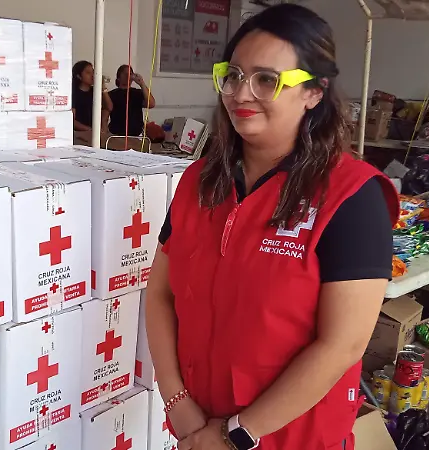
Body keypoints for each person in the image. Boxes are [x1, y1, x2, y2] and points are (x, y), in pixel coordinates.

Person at [146, 5, 398, 450]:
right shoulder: (199, 183)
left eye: (267, 79)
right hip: (196, 429)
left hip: (289, 439)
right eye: (233, 75)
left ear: (314, 92)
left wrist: (235, 434)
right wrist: (177, 401)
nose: (241, 93)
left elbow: (342, 345)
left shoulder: (351, 197)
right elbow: (160, 295)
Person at [108, 65, 156, 136]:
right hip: (116, 135)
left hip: (136, 134)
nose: (128, 76)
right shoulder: (112, 94)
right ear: (118, 78)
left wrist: (142, 83)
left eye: (130, 74)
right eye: (125, 74)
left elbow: (151, 104)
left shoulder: (137, 93)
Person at [71, 60, 112, 133]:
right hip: (79, 133)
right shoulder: (74, 93)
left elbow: (109, 107)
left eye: (93, 72)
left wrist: (103, 87)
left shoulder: (95, 91)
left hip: (97, 131)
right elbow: (71, 120)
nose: (93, 75)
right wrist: (90, 130)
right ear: (79, 76)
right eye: (88, 73)